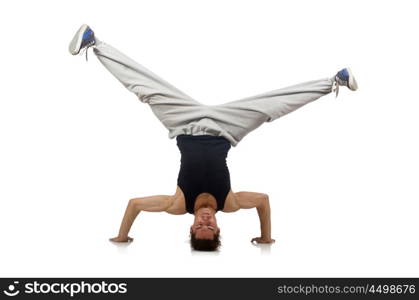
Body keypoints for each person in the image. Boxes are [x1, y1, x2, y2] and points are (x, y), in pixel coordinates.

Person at [69, 24, 358, 251]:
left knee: (146, 88)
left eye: (200, 227)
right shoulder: (229, 203)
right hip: (226, 129)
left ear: (191, 227)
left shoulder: (177, 205)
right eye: (211, 227)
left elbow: (134, 204)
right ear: (218, 228)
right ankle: (335, 80)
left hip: (185, 124)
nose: (205, 221)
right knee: (272, 107)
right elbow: (263, 201)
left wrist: (122, 237)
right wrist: (265, 237)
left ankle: (95, 42)